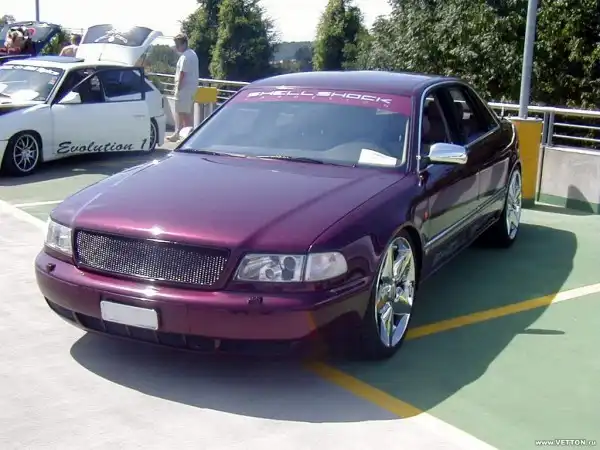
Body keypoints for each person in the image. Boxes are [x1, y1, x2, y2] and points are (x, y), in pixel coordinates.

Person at [166, 33, 199, 142]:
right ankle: (183, 134)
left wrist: (178, 87)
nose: (177, 47)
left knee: (182, 113)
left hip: (184, 89)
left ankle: (181, 134)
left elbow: (182, 73)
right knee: (186, 112)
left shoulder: (185, 56)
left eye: (178, 45)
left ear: (184, 43)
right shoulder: (192, 54)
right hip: (191, 89)